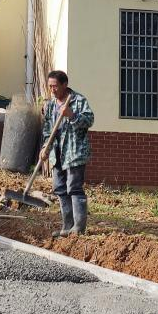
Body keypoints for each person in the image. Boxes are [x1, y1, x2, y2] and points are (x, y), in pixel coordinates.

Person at [40, 70, 95, 237]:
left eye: (55, 86)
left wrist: (72, 115)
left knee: (74, 188)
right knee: (60, 188)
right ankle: (67, 226)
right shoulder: (50, 105)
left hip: (74, 152)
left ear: (65, 84)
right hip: (57, 153)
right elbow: (48, 130)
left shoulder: (78, 100)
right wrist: (45, 147)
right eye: (50, 86)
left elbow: (89, 120)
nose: (52, 90)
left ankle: (78, 228)